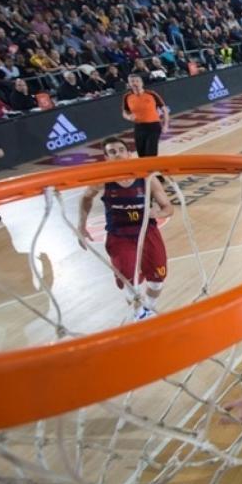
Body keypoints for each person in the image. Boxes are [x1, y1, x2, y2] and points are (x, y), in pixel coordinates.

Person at [78, 137, 173, 320]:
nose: (118, 154)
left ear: (129, 154)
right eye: (112, 152)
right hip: (119, 236)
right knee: (130, 282)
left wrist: (158, 213)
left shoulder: (147, 178)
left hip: (147, 232)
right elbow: (85, 198)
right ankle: (139, 314)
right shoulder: (102, 180)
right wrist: (81, 225)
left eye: (121, 150)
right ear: (106, 158)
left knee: (157, 280)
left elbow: (169, 208)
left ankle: (149, 307)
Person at [122, 74, 169, 157]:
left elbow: (164, 110)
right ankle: (145, 169)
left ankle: (153, 169)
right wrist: (128, 117)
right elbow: (125, 111)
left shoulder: (152, 94)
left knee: (151, 152)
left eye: (137, 81)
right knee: (141, 153)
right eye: (132, 81)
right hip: (139, 127)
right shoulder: (127, 96)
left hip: (153, 126)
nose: (135, 83)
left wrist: (165, 125)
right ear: (129, 84)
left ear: (142, 83)